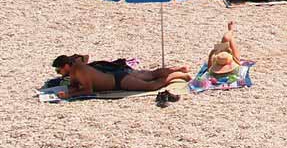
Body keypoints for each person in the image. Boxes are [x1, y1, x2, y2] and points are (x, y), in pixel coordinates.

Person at [53, 55, 190, 97]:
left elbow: (88, 90)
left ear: (66, 66)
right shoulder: (74, 69)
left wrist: (70, 95)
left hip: (119, 81)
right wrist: (67, 91)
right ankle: (178, 69)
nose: (59, 73)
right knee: (150, 74)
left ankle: (175, 75)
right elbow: (74, 86)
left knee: (150, 85)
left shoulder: (80, 70)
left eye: (59, 71)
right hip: (117, 76)